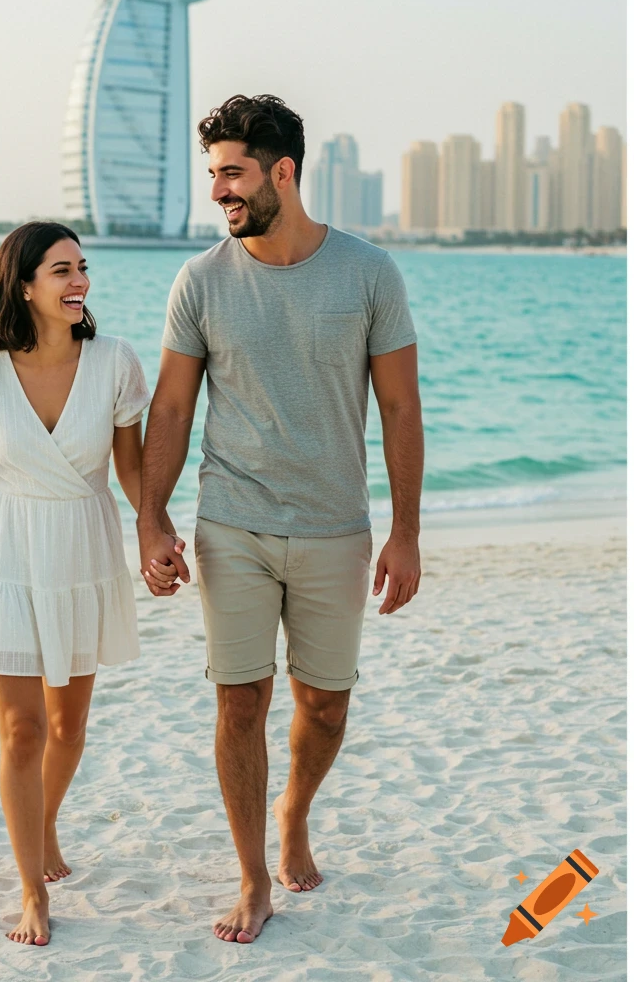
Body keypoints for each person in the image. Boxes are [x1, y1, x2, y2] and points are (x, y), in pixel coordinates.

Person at [138, 95, 423, 945]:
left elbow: (401, 409)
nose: (219, 190)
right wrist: (151, 519)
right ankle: (253, 875)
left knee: (325, 704)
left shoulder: (369, 273)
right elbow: (173, 407)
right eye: (214, 174)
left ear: (284, 173)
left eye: (233, 173)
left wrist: (406, 533)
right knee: (240, 699)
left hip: (337, 524)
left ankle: (294, 811)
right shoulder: (199, 282)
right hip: (233, 520)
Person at [0, 221, 182, 948]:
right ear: (24, 285)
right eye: (61, 271)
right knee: (21, 730)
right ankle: (29, 892)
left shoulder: (114, 363)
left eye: (82, 268)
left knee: (68, 727)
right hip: (7, 555)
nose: (78, 282)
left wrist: (157, 532)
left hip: (83, 547)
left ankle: (41, 825)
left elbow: (133, 470)